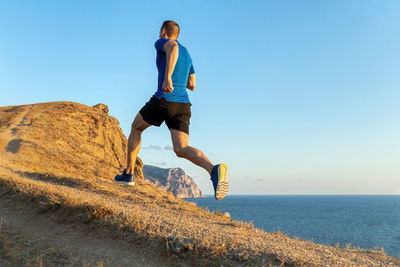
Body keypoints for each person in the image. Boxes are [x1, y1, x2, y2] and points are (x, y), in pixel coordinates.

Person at [115, 20, 228, 200]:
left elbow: (172, 46)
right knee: (181, 148)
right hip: (183, 105)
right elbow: (192, 84)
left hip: (164, 98)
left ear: (163, 31)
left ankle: (128, 173)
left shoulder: (162, 42)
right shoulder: (188, 54)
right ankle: (213, 169)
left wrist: (168, 77)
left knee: (136, 127)